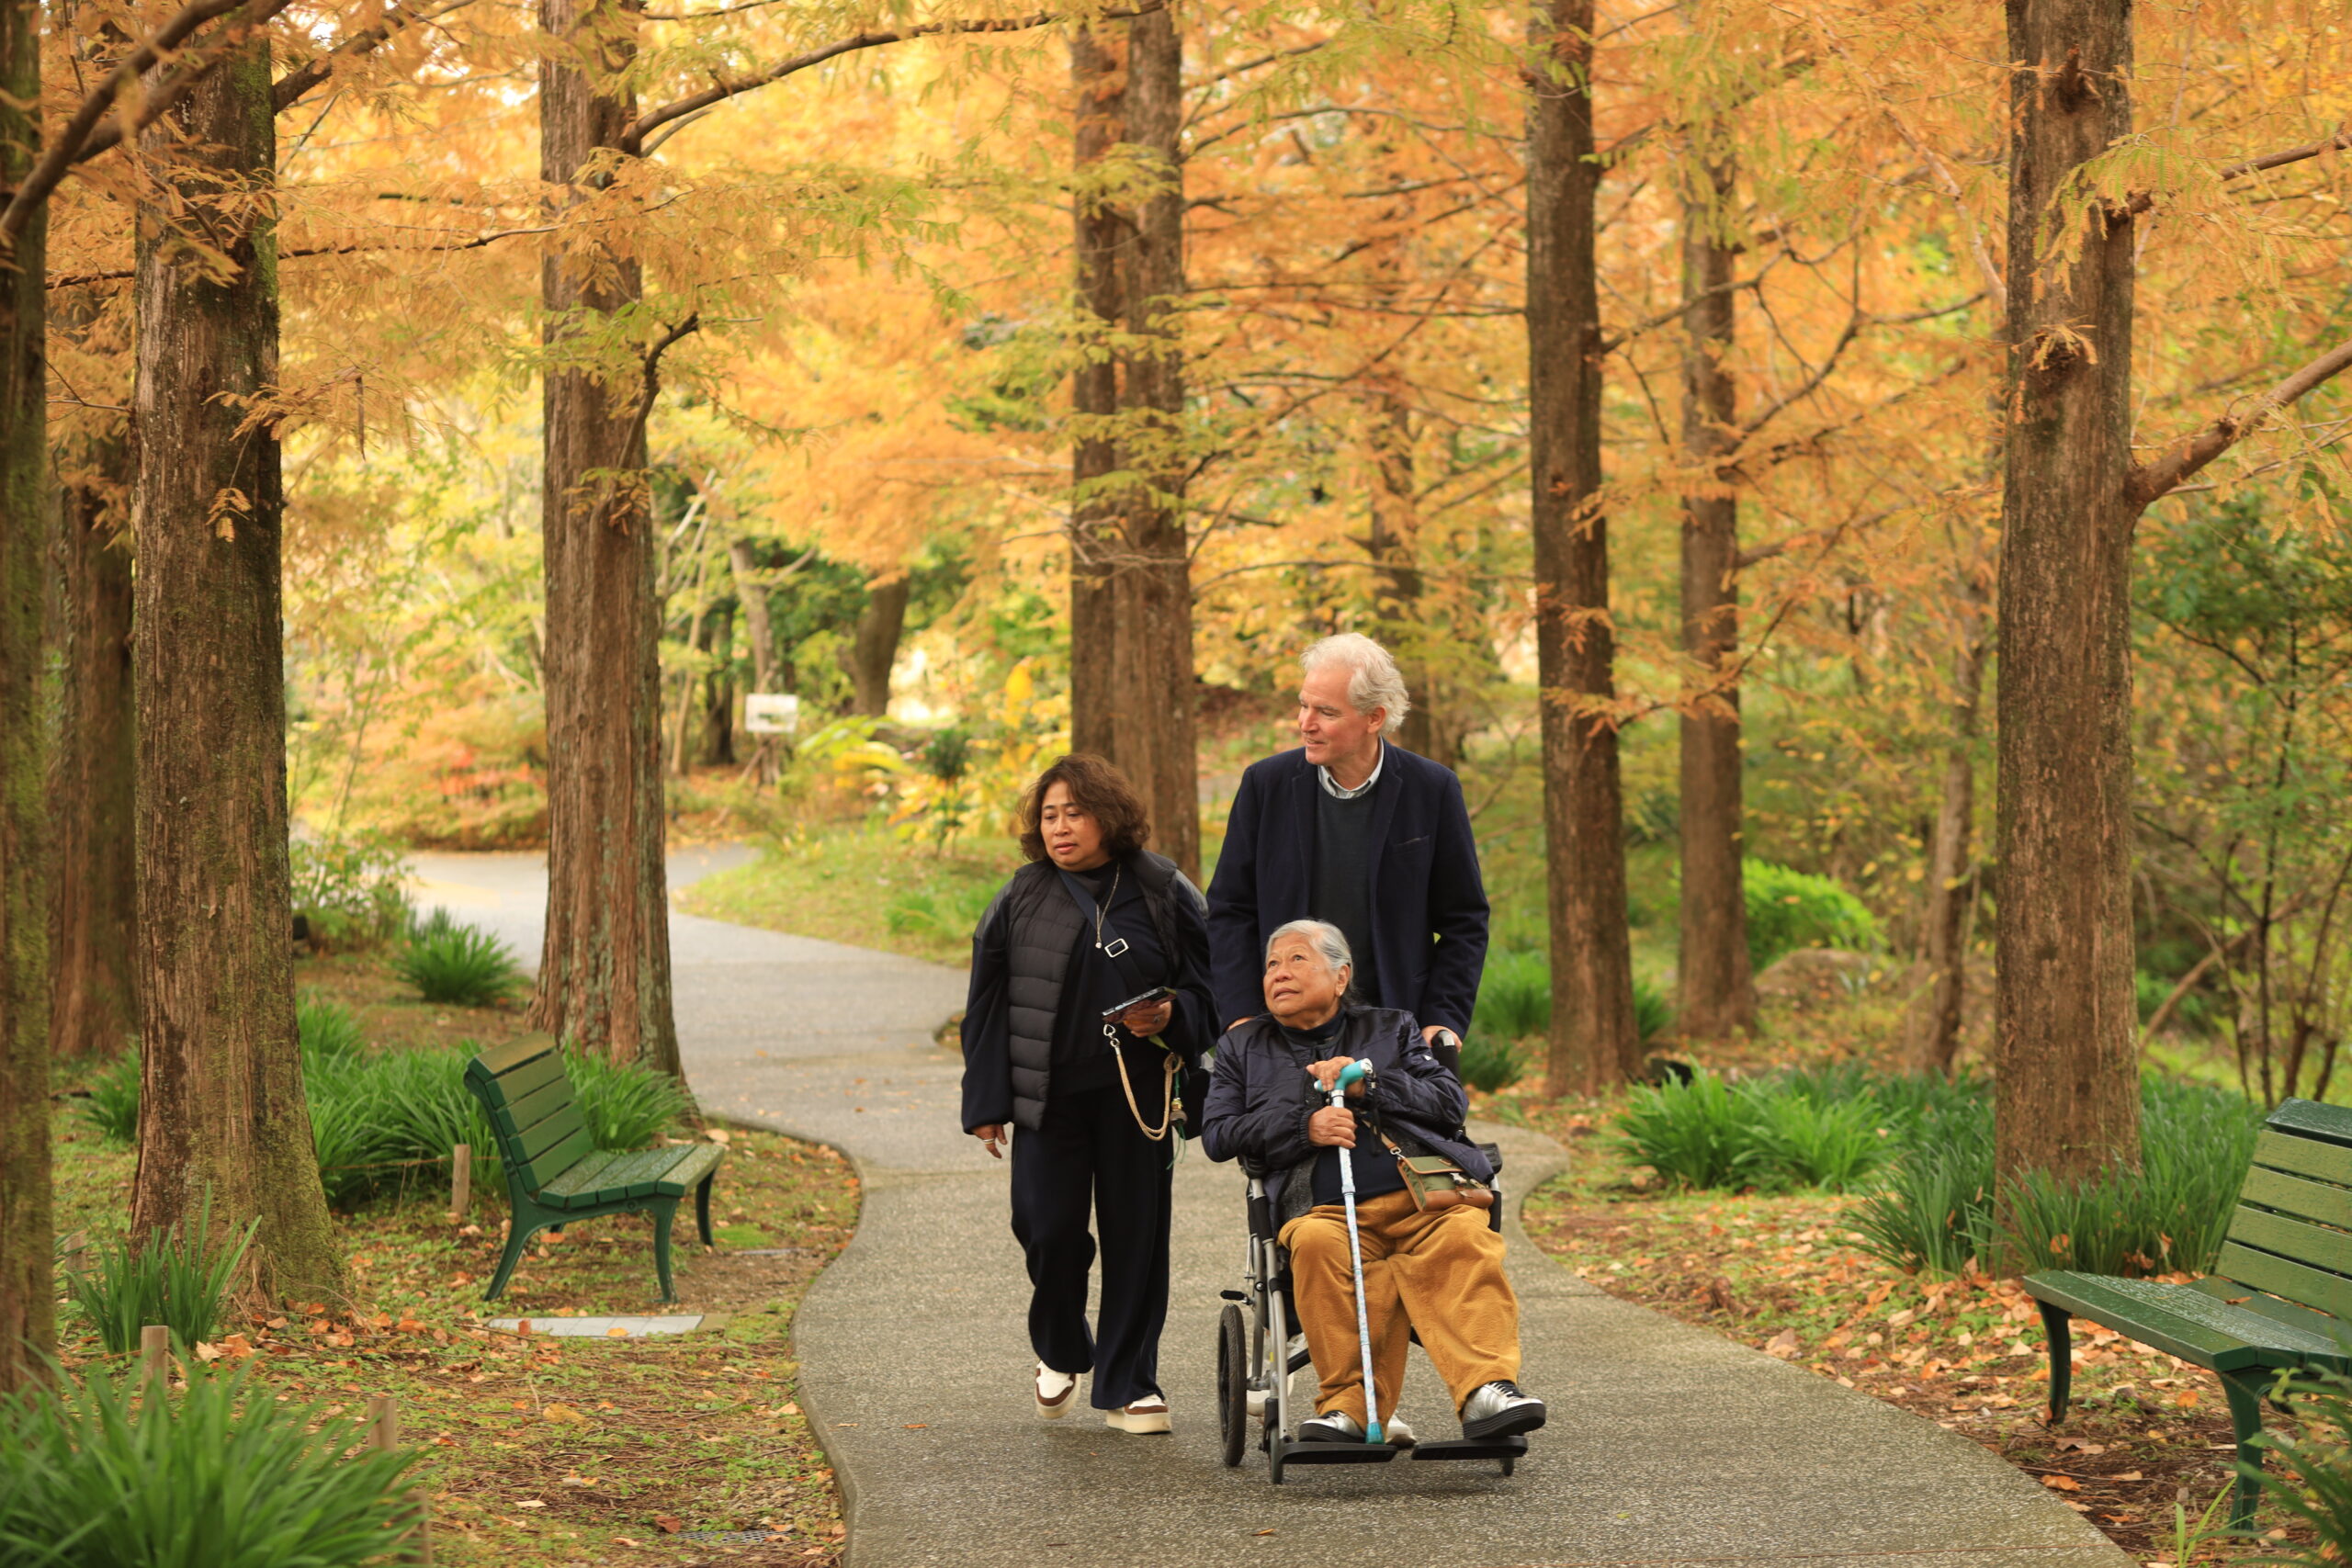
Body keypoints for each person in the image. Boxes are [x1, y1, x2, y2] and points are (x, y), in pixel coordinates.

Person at [1199, 920, 1545, 1446]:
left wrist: (1373, 1084)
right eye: (1271, 964)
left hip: (1423, 1197)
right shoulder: (1242, 1046)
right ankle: (1349, 1409)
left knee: (1465, 1237)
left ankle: (1487, 1392)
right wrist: (1304, 1127)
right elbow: (1219, 1134)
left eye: (1297, 960)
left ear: (1341, 978)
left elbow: (1449, 1104)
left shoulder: (1392, 1028)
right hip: (1323, 1210)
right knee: (1317, 1245)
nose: (1279, 974)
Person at [959, 753, 1213, 1434]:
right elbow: (984, 1005)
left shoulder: (1162, 886)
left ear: (1109, 815)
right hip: (1049, 1097)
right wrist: (985, 1105)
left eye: (1075, 811)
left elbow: (1213, 987)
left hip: (1139, 1097)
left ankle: (1131, 1383)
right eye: (1049, 814)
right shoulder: (1020, 894)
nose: (1060, 826)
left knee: (1138, 1238)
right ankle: (1062, 1343)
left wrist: (1171, 1017)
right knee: (1048, 1228)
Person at [1205, 633, 1488, 1055]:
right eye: (1304, 704)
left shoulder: (1432, 789)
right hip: (1278, 1032)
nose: (1306, 722)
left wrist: (1442, 1019)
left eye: (1326, 712)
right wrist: (1241, 1014)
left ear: (1374, 718)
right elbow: (1231, 911)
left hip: (1396, 1028)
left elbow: (1464, 921)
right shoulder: (1265, 785)